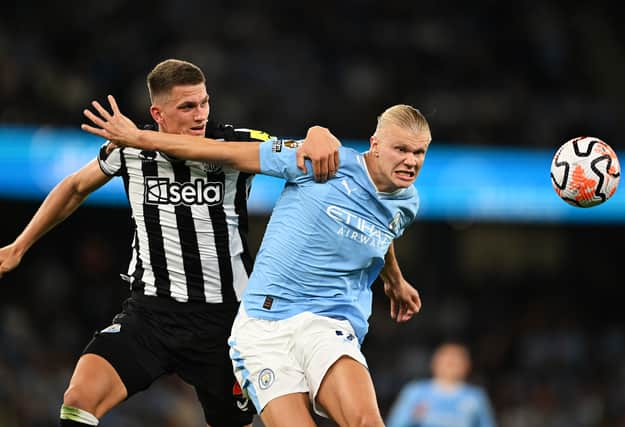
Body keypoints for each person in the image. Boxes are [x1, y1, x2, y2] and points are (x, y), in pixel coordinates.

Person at [0, 59, 342, 427]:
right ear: (158, 113)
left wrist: (319, 131)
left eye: (204, 103)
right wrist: (18, 247)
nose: (200, 115)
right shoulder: (129, 150)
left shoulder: (235, 144)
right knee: (79, 399)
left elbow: (309, 147)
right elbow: (74, 186)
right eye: (187, 107)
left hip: (226, 324)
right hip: (151, 315)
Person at [80, 97, 428, 427]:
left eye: (419, 152)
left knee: (366, 421)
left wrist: (394, 280)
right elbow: (220, 152)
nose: (411, 161)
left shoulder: (406, 203)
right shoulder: (320, 160)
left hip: (328, 321)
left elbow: (383, 232)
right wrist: (140, 138)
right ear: (376, 143)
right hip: (262, 329)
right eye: (402, 149)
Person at [386, 342, 497, 427]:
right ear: (434, 363)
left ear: (467, 366)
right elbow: (396, 423)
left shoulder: (475, 397)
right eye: (446, 361)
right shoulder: (415, 392)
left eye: (455, 362)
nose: (450, 365)